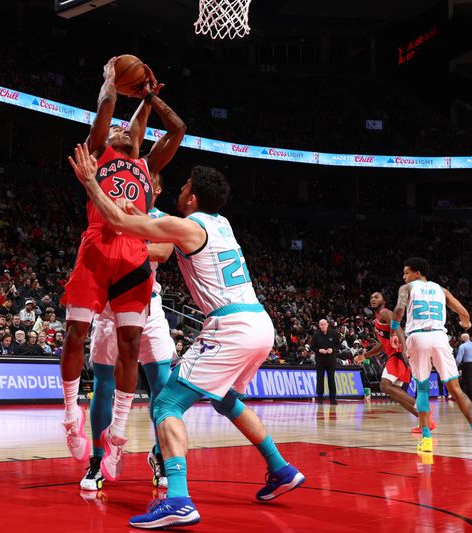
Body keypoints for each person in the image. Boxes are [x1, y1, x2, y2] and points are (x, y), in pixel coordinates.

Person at [69, 149, 304, 528]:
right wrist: (139, 212)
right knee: (226, 399)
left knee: (165, 405)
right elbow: (158, 235)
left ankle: (178, 498)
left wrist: (91, 182)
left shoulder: (189, 226)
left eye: (184, 187)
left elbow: (119, 221)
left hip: (231, 328)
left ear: (192, 198)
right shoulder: (221, 223)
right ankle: (280, 468)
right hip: (259, 323)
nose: (179, 190)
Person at [61, 58, 185, 473]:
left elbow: (177, 129)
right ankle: (72, 421)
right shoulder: (101, 150)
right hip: (98, 247)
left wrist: (150, 96)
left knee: (136, 357)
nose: (119, 130)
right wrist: (111, 81)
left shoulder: (149, 167)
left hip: (132, 260)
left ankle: (118, 439)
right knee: (76, 336)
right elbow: (107, 116)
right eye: (118, 130)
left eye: (125, 130)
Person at [81, 173, 175, 490]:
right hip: (110, 307)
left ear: (155, 190)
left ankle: (160, 456)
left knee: (163, 385)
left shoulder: (160, 218)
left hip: (149, 305)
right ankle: (96, 458)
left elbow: (162, 252)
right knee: (103, 385)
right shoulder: (107, 208)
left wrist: (119, 248)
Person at [391, 257, 472, 455]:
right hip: (439, 337)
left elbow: (400, 309)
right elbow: (463, 312)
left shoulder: (407, 288)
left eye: (406, 273)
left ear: (417, 273)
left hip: (418, 338)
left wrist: (394, 331)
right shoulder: (441, 290)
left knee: (422, 389)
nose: (404, 277)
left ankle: (426, 438)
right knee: (456, 389)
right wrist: (466, 324)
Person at [354, 292, 436, 432]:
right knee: (395, 394)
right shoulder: (376, 321)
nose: (373, 299)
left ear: (383, 301)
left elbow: (398, 328)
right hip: (396, 355)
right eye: (371, 297)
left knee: (385, 386)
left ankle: (422, 407)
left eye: (376, 297)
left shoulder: (385, 313)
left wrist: (404, 351)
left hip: (399, 355)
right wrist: (365, 355)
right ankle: (425, 423)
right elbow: (381, 345)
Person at [311, 319, 340, 404]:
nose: (323, 326)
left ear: (327, 324)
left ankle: (333, 398)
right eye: (321, 324)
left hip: (331, 360)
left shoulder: (333, 333)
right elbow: (312, 347)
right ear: (319, 326)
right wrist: (319, 350)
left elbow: (338, 345)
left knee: (331, 379)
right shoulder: (316, 335)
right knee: (320, 379)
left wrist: (333, 349)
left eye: (324, 324)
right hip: (320, 360)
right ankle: (319, 398)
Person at [456, 333, 472, 401]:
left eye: (461, 338)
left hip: (467, 364)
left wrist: (456, 366)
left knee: (468, 380)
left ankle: (471, 396)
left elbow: (459, 358)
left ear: (464, 338)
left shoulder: (463, 346)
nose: (460, 339)